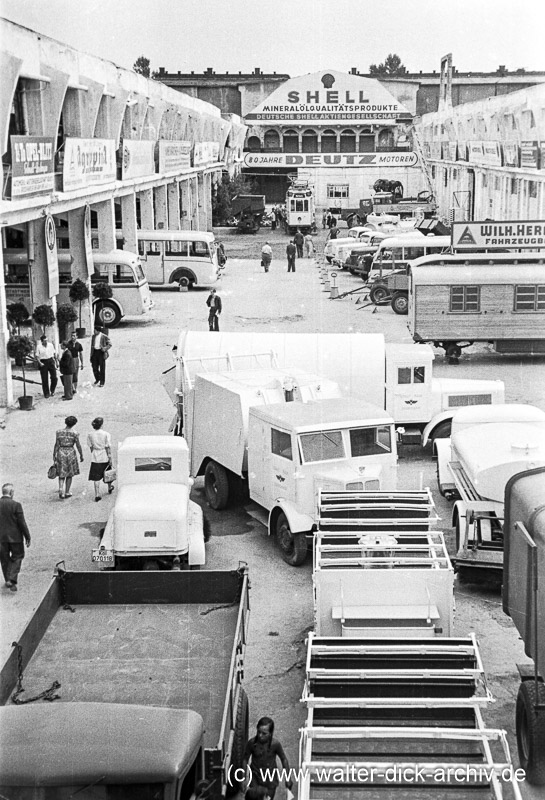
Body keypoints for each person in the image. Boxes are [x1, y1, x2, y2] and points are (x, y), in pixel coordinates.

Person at [242, 717, 292, 800]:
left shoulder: (275, 744)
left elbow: (284, 760)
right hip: (255, 778)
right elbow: (245, 759)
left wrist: (288, 778)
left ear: (270, 733)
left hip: (270, 779)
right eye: (258, 732)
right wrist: (243, 779)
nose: (260, 735)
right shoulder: (252, 743)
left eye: (264, 733)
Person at [0, 483, 31, 593]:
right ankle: (12, 578)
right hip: (15, 537)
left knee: (4, 560)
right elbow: (21, 522)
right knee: (18, 556)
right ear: (11, 493)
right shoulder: (16, 505)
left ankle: (8, 578)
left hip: (1, 538)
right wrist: (27, 536)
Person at [53, 415, 84, 499]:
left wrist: (54, 455)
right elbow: (78, 445)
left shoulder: (59, 432)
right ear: (74, 424)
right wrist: (81, 454)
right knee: (69, 473)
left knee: (61, 472)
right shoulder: (75, 433)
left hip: (61, 451)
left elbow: (56, 444)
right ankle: (67, 492)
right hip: (70, 452)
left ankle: (60, 489)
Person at [87, 417, 113, 502]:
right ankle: (109, 487)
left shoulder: (90, 434)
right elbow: (107, 447)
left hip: (95, 457)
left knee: (96, 477)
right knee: (108, 473)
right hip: (104, 456)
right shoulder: (106, 434)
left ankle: (97, 493)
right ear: (101, 424)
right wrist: (110, 457)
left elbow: (90, 447)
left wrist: (94, 452)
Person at [35, 333, 58, 398]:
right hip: (43, 362)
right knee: (44, 379)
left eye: (46, 340)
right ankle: (46, 393)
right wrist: (40, 363)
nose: (46, 342)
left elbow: (54, 353)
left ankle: (52, 390)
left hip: (50, 361)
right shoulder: (38, 346)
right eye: (44, 341)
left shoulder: (50, 345)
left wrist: (56, 362)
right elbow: (37, 356)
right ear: (42, 341)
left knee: (54, 378)